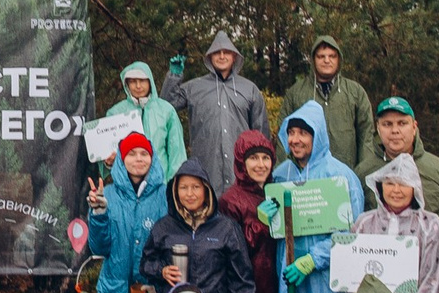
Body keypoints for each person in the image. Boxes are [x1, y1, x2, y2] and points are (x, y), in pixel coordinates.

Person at [267, 102, 368, 293]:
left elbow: (351, 232)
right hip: (289, 274)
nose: (295, 139)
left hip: (326, 282)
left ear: (318, 135)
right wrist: (265, 214)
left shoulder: (341, 175)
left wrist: (314, 258)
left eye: (303, 133)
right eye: (291, 133)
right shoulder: (280, 175)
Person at [136, 158, 254, 293]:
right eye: (183, 188)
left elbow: (241, 278)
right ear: (175, 191)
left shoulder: (226, 228)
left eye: (195, 187)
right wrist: (161, 270)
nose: (189, 194)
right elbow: (146, 263)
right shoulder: (164, 227)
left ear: (206, 190)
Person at [84, 138, 169, 293]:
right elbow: (99, 248)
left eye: (144, 153)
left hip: (152, 292)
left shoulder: (165, 195)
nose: (138, 159)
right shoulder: (108, 194)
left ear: (152, 158)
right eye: (131, 154)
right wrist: (99, 214)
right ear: (121, 159)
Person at [162, 31, 268, 196]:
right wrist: (174, 77)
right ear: (210, 57)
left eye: (226, 52)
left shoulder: (250, 89)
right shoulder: (194, 87)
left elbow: (261, 134)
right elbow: (166, 106)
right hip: (206, 170)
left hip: (241, 172)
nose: (222, 56)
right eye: (217, 52)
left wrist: (262, 173)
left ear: (234, 56)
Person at [358, 155, 439, 293]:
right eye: (390, 183)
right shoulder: (364, 224)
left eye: (404, 184)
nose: (396, 190)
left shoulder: (430, 226)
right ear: (380, 186)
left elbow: (433, 279)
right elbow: (352, 276)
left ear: (415, 188)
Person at [219, 127, 281, 293]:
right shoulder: (230, 201)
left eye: (266, 158)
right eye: (253, 158)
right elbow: (232, 253)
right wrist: (258, 224)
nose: (261, 165)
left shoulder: (275, 192)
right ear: (241, 162)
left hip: (275, 288)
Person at [280, 35, 374, 173]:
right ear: (313, 60)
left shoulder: (355, 92)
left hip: (346, 174)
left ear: (339, 59)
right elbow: (283, 137)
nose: (326, 60)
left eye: (332, 56)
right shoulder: (296, 93)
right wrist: (284, 173)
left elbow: (366, 136)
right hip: (307, 177)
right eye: (321, 56)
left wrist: (364, 172)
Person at [368, 97, 439, 219]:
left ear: (414, 127)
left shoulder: (438, 170)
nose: (395, 130)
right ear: (378, 128)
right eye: (387, 124)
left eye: (402, 123)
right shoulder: (366, 171)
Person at [98, 60, 186, 178]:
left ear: (150, 82)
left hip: (161, 182)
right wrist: (108, 163)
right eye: (133, 81)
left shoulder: (166, 110)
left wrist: (174, 183)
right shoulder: (115, 112)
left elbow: (177, 151)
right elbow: (106, 156)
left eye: (142, 80)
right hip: (127, 183)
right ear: (126, 84)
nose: (138, 86)